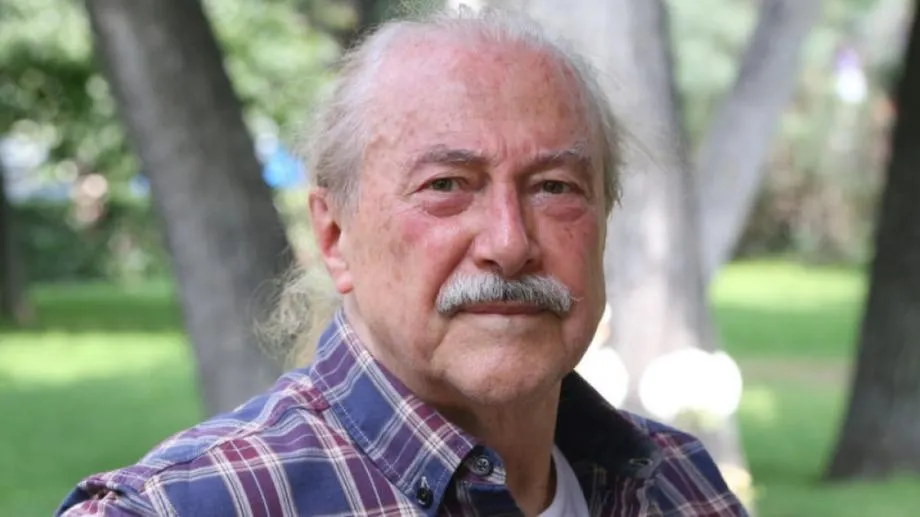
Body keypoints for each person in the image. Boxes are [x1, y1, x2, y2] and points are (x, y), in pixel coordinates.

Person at [56, 7, 748, 517]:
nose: (509, 242)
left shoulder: (680, 486)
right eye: (447, 185)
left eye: (554, 187)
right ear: (334, 237)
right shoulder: (182, 507)